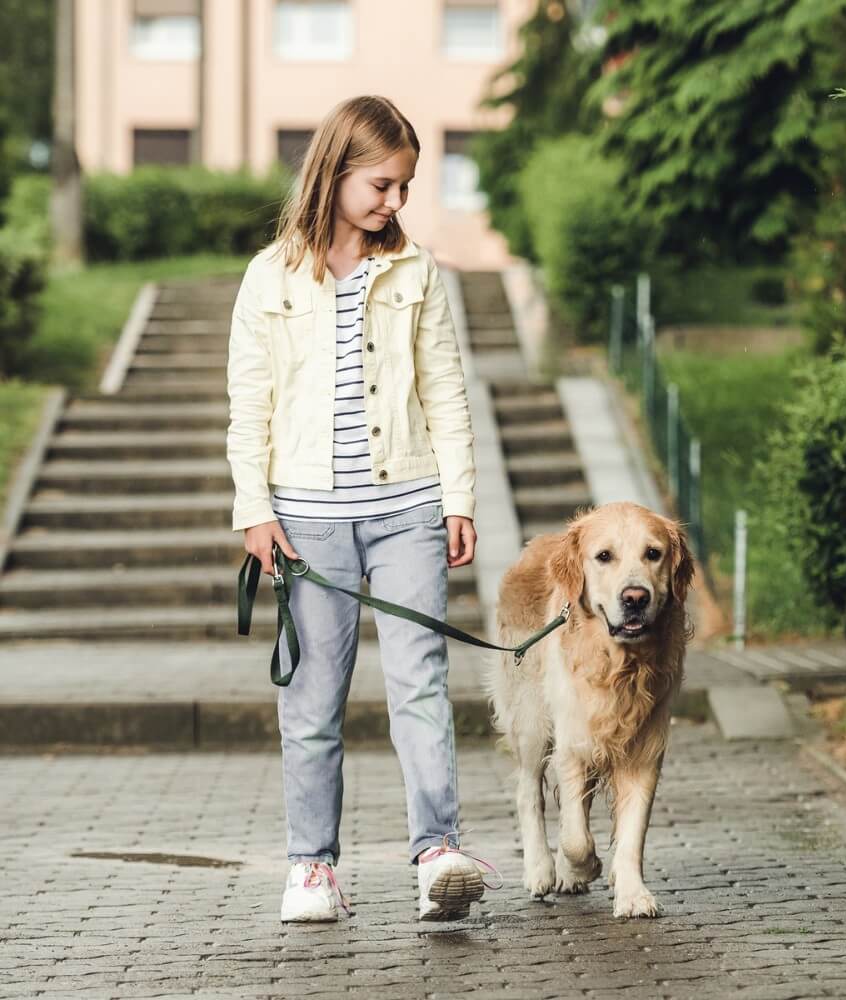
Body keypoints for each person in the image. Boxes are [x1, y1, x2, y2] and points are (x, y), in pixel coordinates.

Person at [226, 94, 498, 923]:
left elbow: (447, 392)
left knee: (421, 681)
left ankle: (438, 854)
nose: (394, 202)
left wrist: (458, 498)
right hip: (305, 519)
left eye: (404, 188)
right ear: (336, 171)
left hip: (408, 506)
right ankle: (312, 869)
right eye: (382, 184)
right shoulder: (270, 276)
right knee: (311, 699)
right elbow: (249, 404)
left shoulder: (416, 273)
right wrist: (254, 510)